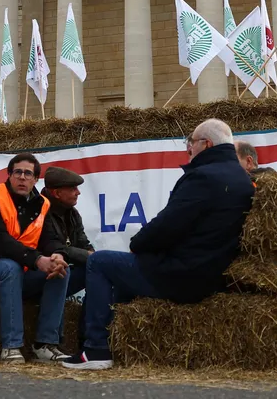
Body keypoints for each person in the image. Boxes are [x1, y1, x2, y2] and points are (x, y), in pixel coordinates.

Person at [62, 119, 254, 371]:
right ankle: (117, 345)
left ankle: (96, 349)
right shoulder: (241, 178)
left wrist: (138, 244)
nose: (189, 150)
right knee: (121, 274)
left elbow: (168, 225)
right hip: (213, 274)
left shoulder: (203, 177)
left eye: (192, 144)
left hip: (183, 275)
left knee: (99, 262)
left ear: (206, 145)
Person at [0, 153, 72, 363]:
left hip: (24, 270)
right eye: (17, 172)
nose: (22, 177)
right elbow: (0, 240)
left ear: (35, 179)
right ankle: (11, 346)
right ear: (9, 175)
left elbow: (49, 238)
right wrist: (37, 259)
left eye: (28, 173)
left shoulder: (43, 204)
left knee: (61, 271)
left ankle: (45, 344)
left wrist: (58, 255)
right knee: (11, 268)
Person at [38, 166, 94, 349]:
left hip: (60, 270)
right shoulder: (40, 210)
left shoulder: (72, 213)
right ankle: (47, 343)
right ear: (57, 193)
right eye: (73, 189)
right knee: (62, 270)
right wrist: (88, 255)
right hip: (38, 273)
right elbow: (52, 247)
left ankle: (87, 340)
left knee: (96, 270)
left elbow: (83, 242)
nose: (78, 192)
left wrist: (92, 256)